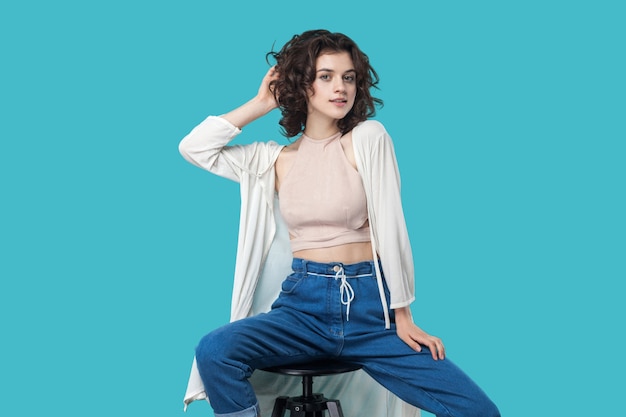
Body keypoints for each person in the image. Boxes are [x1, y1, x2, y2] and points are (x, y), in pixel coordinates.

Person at [179, 29, 500, 417]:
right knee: (214, 350)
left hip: (370, 311)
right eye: (326, 76)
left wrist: (403, 313)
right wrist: (261, 102)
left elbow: (393, 226)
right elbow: (194, 147)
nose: (340, 87)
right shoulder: (274, 161)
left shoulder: (367, 138)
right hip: (302, 308)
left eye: (348, 77)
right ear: (302, 84)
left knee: (477, 410)